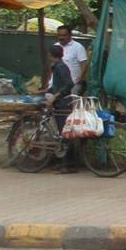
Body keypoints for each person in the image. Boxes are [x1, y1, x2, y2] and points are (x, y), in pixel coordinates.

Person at [42, 44, 77, 174]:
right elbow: (57, 85)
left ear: (51, 55)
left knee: (65, 134)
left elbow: (69, 84)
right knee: (63, 133)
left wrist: (55, 96)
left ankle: (68, 165)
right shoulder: (57, 66)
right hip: (60, 103)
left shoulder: (61, 67)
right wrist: (45, 91)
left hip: (63, 104)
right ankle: (64, 162)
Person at [55, 24, 88, 96]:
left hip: (73, 83)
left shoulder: (78, 47)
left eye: (64, 35)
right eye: (59, 35)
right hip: (58, 84)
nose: (61, 37)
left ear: (70, 35)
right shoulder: (56, 46)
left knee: (72, 101)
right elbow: (51, 65)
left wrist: (80, 78)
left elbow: (84, 64)